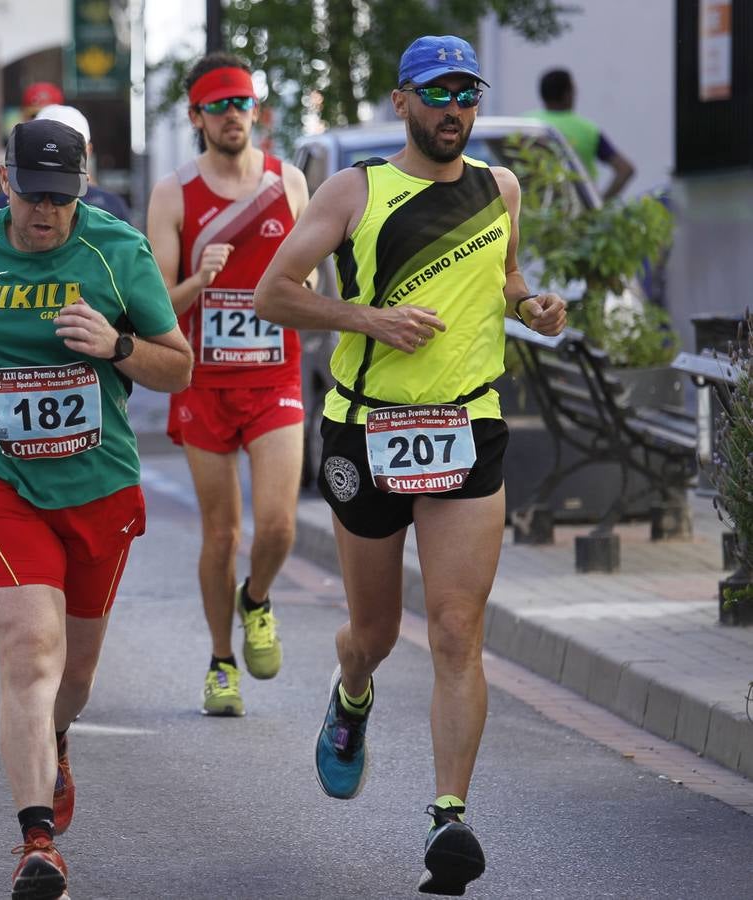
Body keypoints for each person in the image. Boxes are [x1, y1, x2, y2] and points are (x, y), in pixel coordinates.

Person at [253, 35, 567, 896]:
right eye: (436, 94)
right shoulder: (354, 190)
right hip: (366, 433)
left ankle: (447, 820)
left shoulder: (498, 188)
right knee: (377, 631)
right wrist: (367, 319)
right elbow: (273, 292)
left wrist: (532, 304)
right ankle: (351, 691)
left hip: (467, 426)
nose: (453, 109)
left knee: (458, 630)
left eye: (466, 93)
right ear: (403, 102)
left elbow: (504, 281)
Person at [0, 118, 191, 899]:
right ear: (5, 183)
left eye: (60, 199)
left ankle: (57, 736)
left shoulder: (116, 252)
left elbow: (178, 369)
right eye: (32, 196)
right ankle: (37, 842)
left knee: (74, 673)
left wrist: (116, 347)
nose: (45, 214)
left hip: (98, 487)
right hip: (1, 482)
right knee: (31, 653)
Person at [145, 52, 312, 717]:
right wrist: (199, 280)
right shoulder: (172, 194)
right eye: (218, 107)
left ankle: (258, 599)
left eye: (241, 103)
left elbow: (317, 280)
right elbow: (154, 302)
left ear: (255, 110)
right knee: (221, 535)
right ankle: (220, 661)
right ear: (196, 117)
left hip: (274, 376)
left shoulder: (288, 184)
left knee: (276, 526)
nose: (232, 116)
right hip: (202, 381)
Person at [0, 105, 132, 224]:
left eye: (69, 145)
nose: (46, 208)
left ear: (87, 150)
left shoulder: (110, 207)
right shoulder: (1, 206)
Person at [525, 68, 635, 201]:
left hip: (531, 210)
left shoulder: (524, 124)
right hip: (577, 213)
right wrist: (599, 204)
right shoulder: (587, 130)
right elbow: (625, 169)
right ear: (568, 94)